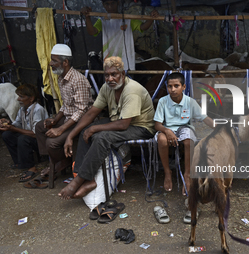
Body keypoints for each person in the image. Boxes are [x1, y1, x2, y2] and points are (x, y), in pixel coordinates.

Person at [59, 56, 155, 200]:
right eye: (107, 75)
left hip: (141, 127)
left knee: (101, 136)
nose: (110, 79)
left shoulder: (132, 90)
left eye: (114, 74)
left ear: (122, 74)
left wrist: (95, 129)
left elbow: (123, 124)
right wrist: (70, 136)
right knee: (87, 130)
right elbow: (91, 113)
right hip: (119, 120)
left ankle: (79, 181)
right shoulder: (107, 88)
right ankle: (83, 177)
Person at [35, 44, 93, 179]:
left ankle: (64, 161)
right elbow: (65, 105)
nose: (50, 64)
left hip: (82, 121)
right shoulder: (61, 78)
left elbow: (81, 111)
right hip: (69, 118)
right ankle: (56, 161)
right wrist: (55, 119)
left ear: (65, 62)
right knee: (40, 126)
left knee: (52, 143)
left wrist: (60, 129)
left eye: (54, 61)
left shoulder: (78, 80)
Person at [154, 72, 214, 195]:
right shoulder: (162, 101)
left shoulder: (190, 101)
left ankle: (187, 174)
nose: (173, 89)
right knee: (162, 140)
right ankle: (167, 172)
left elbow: (205, 118)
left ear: (184, 87)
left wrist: (220, 127)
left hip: (185, 127)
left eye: (176, 86)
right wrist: (167, 131)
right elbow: (157, 124)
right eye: (170, 86)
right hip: (167, 129)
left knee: (188, 140)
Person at [80, 0, 159, 70]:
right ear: (103, 5)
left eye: (113, 3)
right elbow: (92, 32)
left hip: (126, 62)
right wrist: (87, 18)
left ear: (118, 2)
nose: (110, 6)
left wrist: (152, 18)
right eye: (107, 4)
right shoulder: (102, 21)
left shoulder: (128, 19)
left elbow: (143, 27)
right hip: (109, 63)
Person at [0, 84, 49, 182]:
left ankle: (32, 168)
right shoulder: (23, 110)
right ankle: (19, 161)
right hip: (32, 137)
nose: (18, 99)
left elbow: (36, 134)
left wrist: (14, 129)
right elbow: (17, 124)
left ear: (31, 98)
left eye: (21, 97)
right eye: (19, 96)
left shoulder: (37, 109)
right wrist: (8, 124)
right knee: (6, 135)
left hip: (42, 141)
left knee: (23, 138)